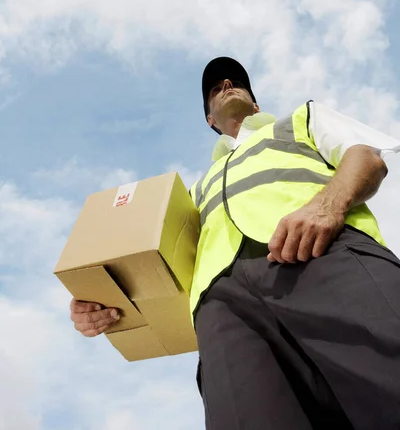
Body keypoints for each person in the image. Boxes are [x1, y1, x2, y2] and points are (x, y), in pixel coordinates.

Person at [70, 56, 400, 430]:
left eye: (234, 81)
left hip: (323, 254)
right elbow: (155, 264)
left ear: (255, 103)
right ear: (210, 119)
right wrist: (102, 299)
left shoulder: (299, 120)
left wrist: (327, 206)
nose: (226, 85)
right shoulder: (195, 190)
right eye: (215, 88)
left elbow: (365, 157)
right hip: (223, 309)